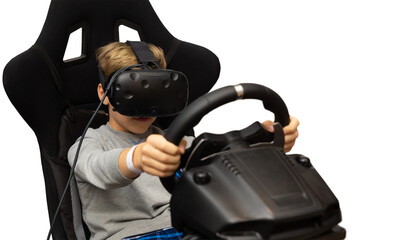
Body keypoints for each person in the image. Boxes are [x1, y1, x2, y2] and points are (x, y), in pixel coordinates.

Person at [68, 42, 300, 240]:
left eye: (154, 92)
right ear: (104, 93)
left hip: (189, 227)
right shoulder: (88, 144)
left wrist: (266, 143)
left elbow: (219, 159)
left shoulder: (176, 140)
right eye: (132, 92)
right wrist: (138, 157)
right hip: (129, 235)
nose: (144, 105)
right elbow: (99, 167)